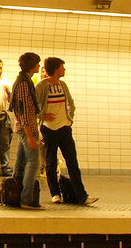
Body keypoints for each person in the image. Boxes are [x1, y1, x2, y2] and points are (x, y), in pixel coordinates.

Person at [35, 57, 95, 204]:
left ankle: (82, 196)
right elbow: (34, 107)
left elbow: (71, 103)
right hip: (49, 129)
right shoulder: (42, 86)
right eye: (62, 67)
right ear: (56, 69)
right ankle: (55, 194)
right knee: (50, 162)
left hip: (64, 128)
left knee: (72, 162)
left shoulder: (63, 85)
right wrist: (43, 116)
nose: (64, 70)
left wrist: (69, 120)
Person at [11, 52, 42, 208]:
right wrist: (30, 135)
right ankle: (26, 200)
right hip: (27, 128)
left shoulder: (25, 80)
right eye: (37, 63)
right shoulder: (24, 83)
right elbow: (23, 110)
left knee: (20, 163)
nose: (39, 66)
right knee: (33, 162)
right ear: (31, 66)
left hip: (25, 127)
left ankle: (14, 194)